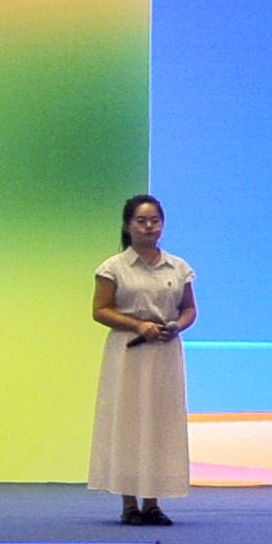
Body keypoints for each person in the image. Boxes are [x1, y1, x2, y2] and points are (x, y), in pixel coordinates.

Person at [90, 193, 195, 525]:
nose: (149, 227)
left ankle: (153, 503)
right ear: (127, 226)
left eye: (155, 221)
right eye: (141, 221)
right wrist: (137, 325)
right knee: (128, 422)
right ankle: (129, 504)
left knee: (160, 423)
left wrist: (176, 325)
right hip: (128, 352)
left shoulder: (178, 267)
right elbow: (100, 310)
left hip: (164, 353)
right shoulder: (113, 268)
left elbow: (189, 309)